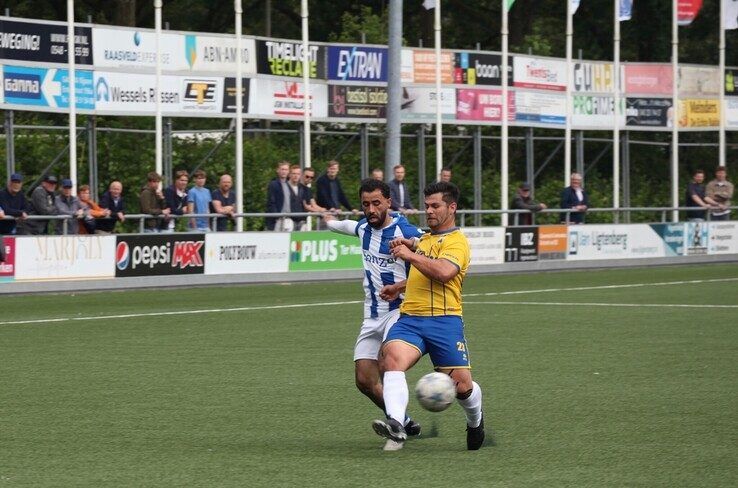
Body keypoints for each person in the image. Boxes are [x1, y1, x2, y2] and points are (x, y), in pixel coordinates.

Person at [371, 181, 485, 452]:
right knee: (390, 359)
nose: (429, 211)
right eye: (426, 206)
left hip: (445, 321)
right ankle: (396, 425)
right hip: (411, 320)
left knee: (462, 388)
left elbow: (444, 272)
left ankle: (475, 420)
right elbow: (424, 252)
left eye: (435, 206)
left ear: (452, 207)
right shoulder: (424, 239)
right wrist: (401, 282)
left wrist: (410, 254)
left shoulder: (458, 242)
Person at [324, 179, 424, 446]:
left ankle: (395, 427)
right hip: (371, 314)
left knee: (388, 362)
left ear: (389, 202)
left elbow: (431, 263)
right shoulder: (363, 228)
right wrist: (326, 220)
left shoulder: (405, 230)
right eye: (366, 204)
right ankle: (404, 420)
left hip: (399, 311)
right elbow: (345, 225)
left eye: (377, 203)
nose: (371, 209)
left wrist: (400, 286)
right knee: (364, 380)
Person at [285, 165, 314, 231]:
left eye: (298, 174)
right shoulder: (284, 187)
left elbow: (309, 206)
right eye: (294, 173)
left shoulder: (304, 189)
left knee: (300, 241)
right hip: (287, 221)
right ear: (289, 175)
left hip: (302, 222)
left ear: (300, 175)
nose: (296, 176)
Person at [265, 161, 291, 231]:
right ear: (278, 170)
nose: (284, 172)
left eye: (286, 170)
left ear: (288, 171)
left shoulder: (289, 184)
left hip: (289, 218)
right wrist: (276, 216)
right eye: (282, 169)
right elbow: (271, 202)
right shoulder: (273, 184)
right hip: (277, 219)